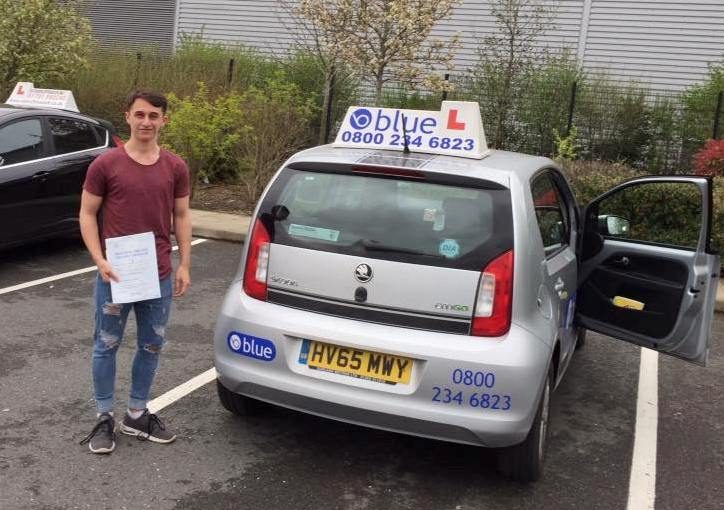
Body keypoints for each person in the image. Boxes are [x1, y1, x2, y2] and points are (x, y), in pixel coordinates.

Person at [78, 89, 192, 454]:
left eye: (153, 116)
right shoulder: (106, 165)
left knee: (152, 344)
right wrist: (99, 259)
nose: (146, 122)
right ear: (127, 116)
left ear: (164, 120)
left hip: (156, 273)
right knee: (106, 345)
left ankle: (136, 413)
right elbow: (87, 214)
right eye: (140, 114)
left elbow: (182, 216)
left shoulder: (175, 166)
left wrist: (185, 263)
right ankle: (103, 417)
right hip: (116, 274)